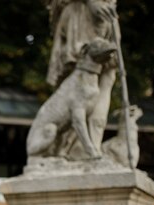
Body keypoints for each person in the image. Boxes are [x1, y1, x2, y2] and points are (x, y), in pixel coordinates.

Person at [46, 0, 118, 155]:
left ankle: (93, 146)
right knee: (77, 78)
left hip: (107, 13)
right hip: (81, 11)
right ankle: (70, 149)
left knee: (107, 77)